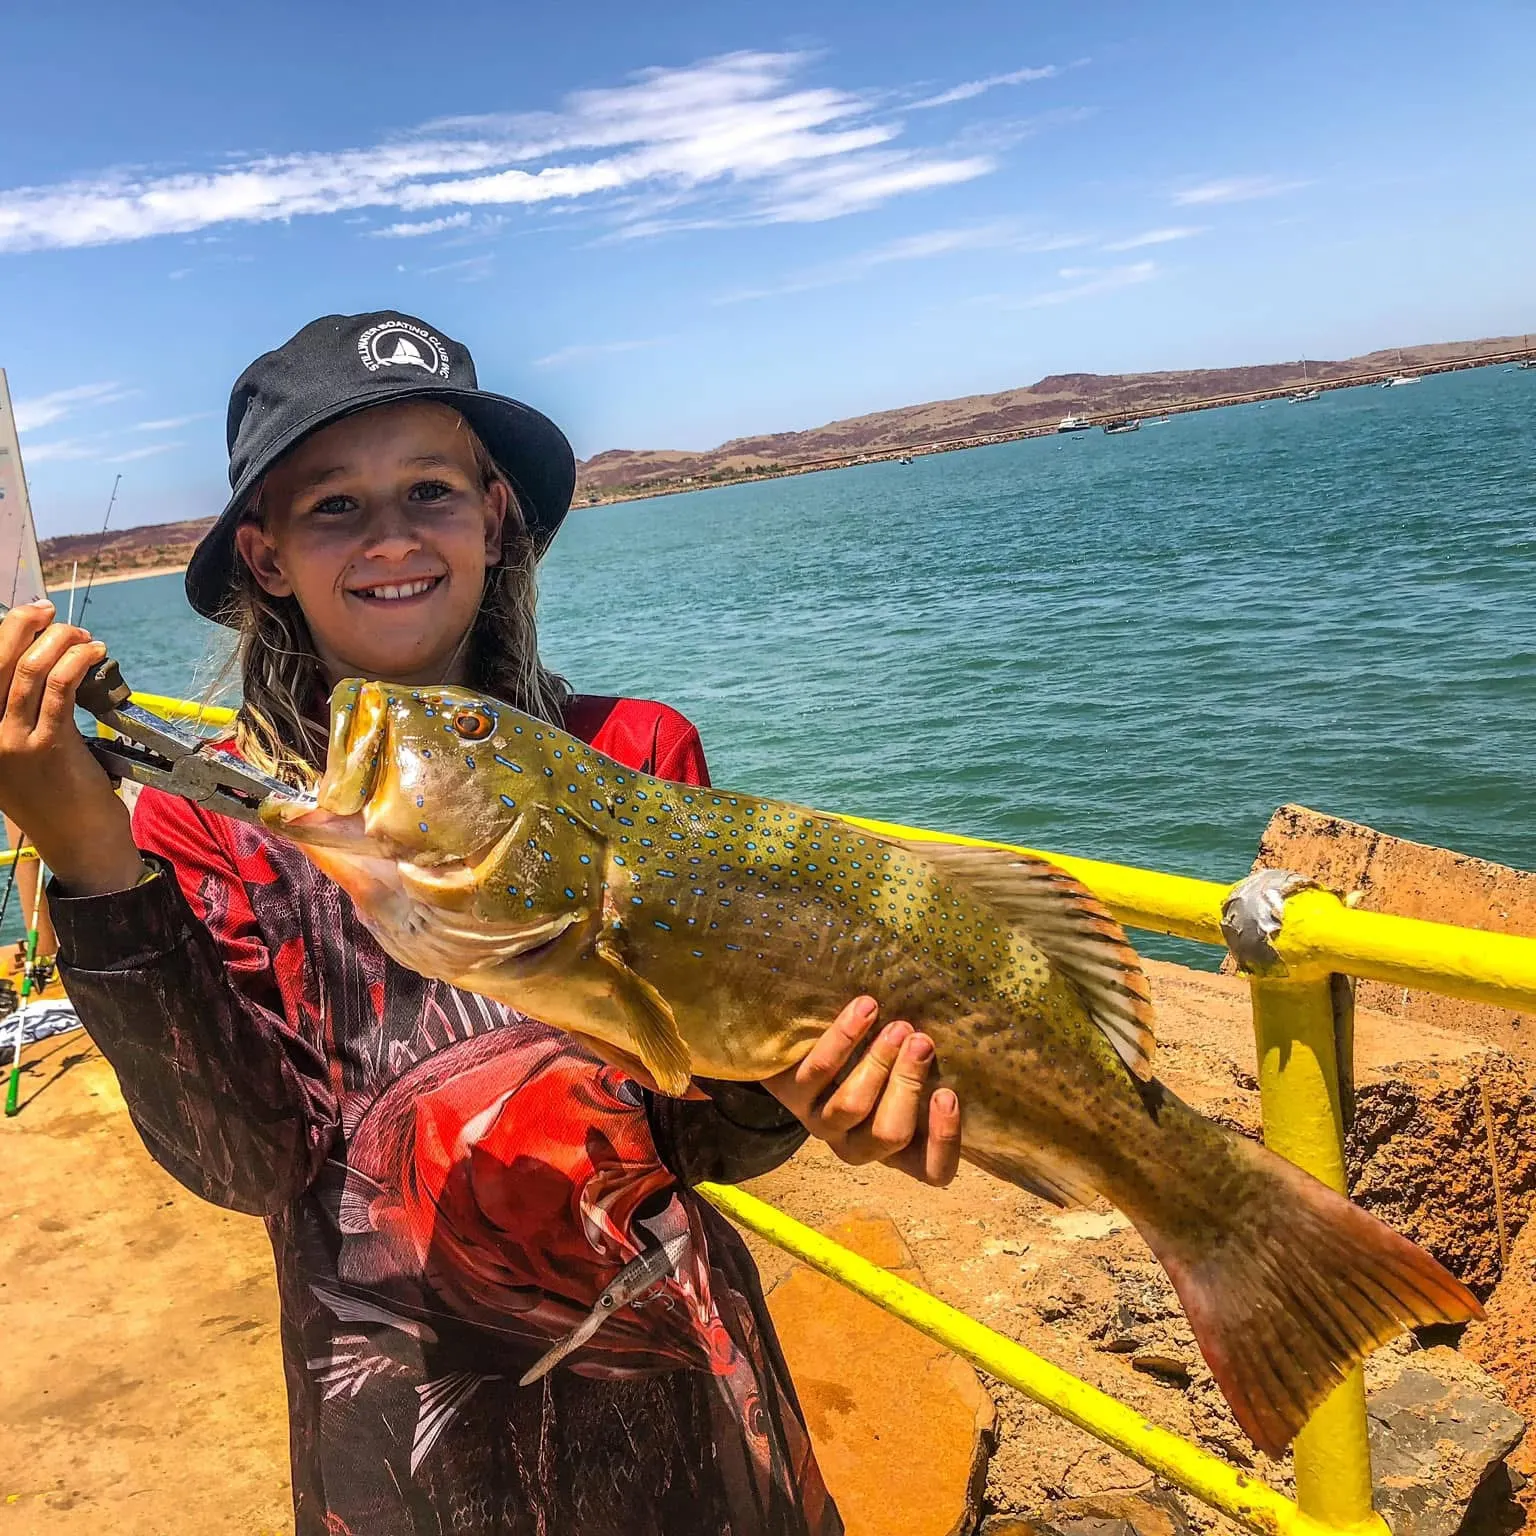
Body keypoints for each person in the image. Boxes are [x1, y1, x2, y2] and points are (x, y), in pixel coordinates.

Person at [0, 312, 962, 1536]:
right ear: (267, 554)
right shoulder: (204, 832)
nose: (394, 536)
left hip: (684, 1412)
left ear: (494, 518)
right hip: (404, 1457)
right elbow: (246, 1162)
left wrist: (798, 1091)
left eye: (431, 491)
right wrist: (89, 853)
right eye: (334, 506)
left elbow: (700, 1138)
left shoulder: (636, 756)